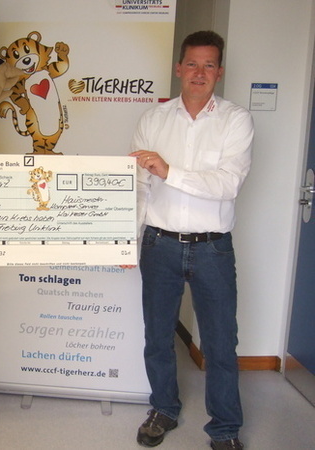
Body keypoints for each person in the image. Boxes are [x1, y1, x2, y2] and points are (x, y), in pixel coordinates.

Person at [130, 31, 253, 450]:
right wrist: (128, 240)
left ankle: (225, 429)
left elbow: (227, 185)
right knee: (157, 337)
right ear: (179, 68)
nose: (199, 72)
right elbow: (139, 187)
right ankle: (164, 409)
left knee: (220, 343)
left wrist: (169, 171)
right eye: (193, 64)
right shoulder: (153, 120)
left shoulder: (236, 120)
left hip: (212, 248)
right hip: (159, 244)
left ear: (220, 72)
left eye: (209, 65)